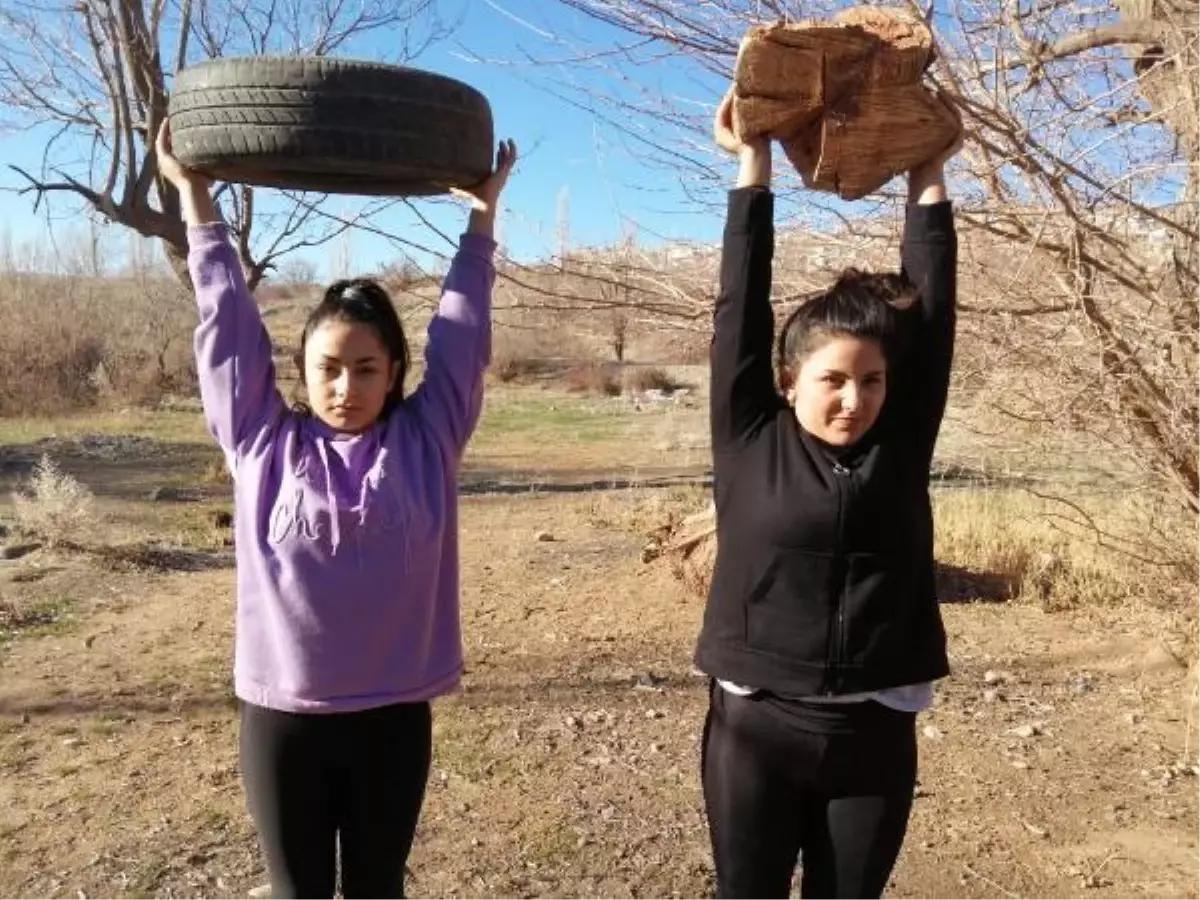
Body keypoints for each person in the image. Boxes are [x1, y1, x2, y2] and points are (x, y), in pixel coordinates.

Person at [155, 119, 517, 899]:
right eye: (328, 367)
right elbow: (225, 334)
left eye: (365, 368)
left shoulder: (428, 440)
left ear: (393, 375)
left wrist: (481, 225)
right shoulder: (260, 442)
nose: (345, 386)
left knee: (377, 890)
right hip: (284, 720)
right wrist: (198, 205)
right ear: (302, 369)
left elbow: (462, 340)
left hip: (392, 717)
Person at [695, 89, 962, 900]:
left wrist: (929, 174)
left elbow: (936, 313)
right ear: (787, 381)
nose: (855, 400)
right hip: (755, 729)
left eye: (873, 381)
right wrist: (754, 162)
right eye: (834, 381)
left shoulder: (900, 444)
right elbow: (740, 305)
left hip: (874, 733)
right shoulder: (749, 436)